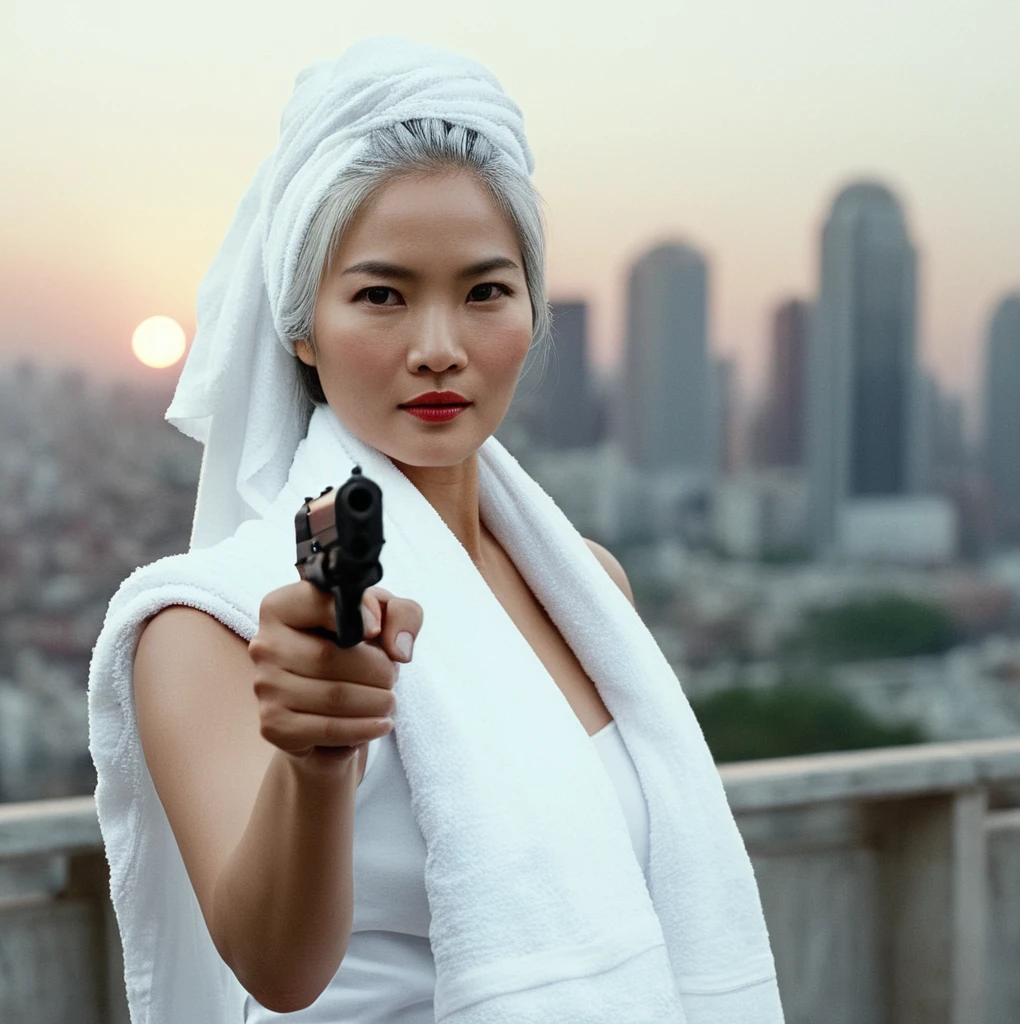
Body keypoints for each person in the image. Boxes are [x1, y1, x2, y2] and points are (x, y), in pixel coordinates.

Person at [88, 35, 785, 1024]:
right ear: (302, 326)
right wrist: (315, 758)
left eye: (484, 291)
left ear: (532, 311)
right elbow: (274, 971)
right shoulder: (213, 621)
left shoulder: (587, 586)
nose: (438, 348)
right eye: (380, 294)